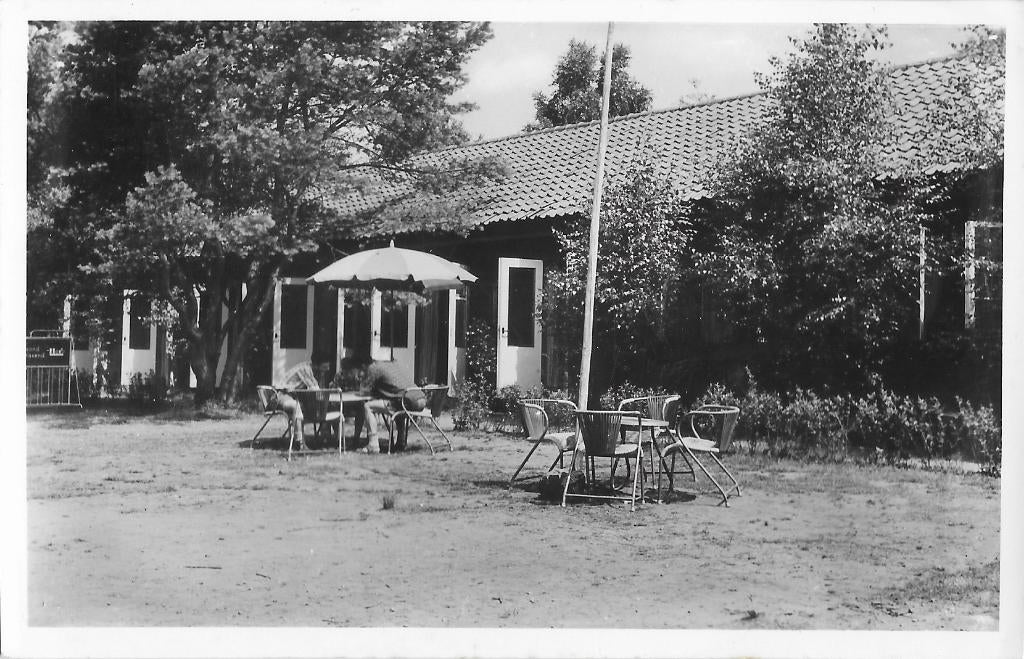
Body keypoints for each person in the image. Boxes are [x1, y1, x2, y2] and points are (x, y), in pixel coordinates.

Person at [345, 353, 425, 453]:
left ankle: (373, 444)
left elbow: (364, 391)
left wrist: (360, 379)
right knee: (397, 405)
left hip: (408, 401)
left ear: (362, 366)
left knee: (367, 406)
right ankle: (401, 441)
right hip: (419, 398)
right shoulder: (390, 365)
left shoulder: (372, 368)